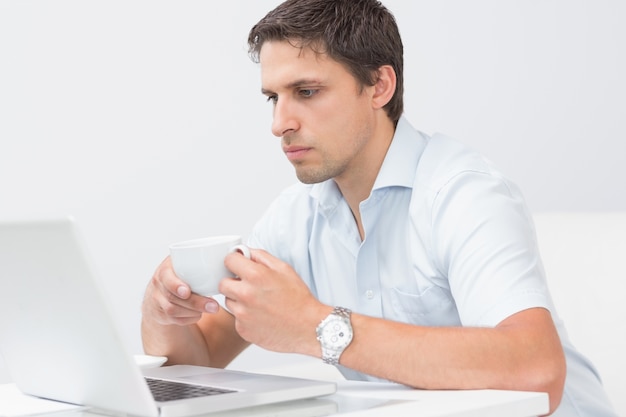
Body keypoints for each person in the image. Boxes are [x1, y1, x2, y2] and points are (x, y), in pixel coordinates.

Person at [141, 1, 617, 415]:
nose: (279, 123)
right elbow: (198, 362)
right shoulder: (296, 215)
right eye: (273, 98)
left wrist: (315, 325)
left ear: (378, 86)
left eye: (306, 92)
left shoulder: (465, 193)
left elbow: (537, 371)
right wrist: (161, 312)